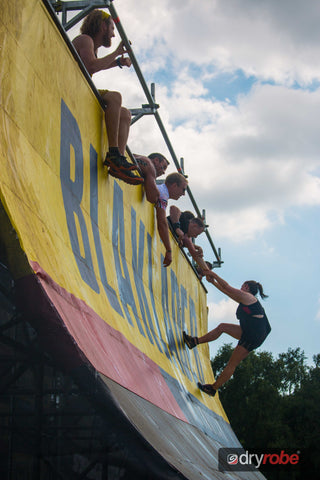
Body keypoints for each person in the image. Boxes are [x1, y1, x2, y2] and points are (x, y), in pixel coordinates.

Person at [72, 9, 142, 183]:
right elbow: (92, 66)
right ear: (103, 26)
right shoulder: (85, 40)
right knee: (115, 97)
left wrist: (117, 62)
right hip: (75, 86)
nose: (112, 35)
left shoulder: (92, 46)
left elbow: (95, 65)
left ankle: (119, 161)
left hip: (82, 87)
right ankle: (114, 154)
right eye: (112, 29)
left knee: (125, 114)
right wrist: (117, 54)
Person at [183, 272, 271, 397]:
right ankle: (194, 341)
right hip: (251, 331)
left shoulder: (248, 297)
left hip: (254, 335)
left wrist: (211, 273)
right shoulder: (244, 298)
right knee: (222, 327)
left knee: (232, 363)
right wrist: (213, 282)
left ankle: (213, 388)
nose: (240, 288)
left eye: (242, 286)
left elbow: (227, 287)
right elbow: (226, 292)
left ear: (246, 287)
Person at [154, 173, 188, 267]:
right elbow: (162, 223)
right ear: (174, 185)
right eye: (183, 189)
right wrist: (168, 250)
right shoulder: (163, 194)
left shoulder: (162, 191)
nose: (183, 194)